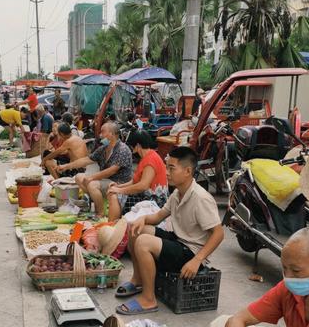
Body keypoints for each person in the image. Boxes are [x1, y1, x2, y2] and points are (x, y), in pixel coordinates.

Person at [115, 146, 223, 314]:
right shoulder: (177, 193)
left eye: (171, 168)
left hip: (191, 252)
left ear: (187, 171)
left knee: (143, 242)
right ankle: (138, 280)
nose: (166, 172)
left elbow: (218, 233)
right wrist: (142, 219)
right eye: (167, 167)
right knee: (135, 230)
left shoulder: (201, 198)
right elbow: (158, 217)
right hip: (178, 241)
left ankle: (149, 299)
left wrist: (197, 260)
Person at [58, 122, 133, 217]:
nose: (100, 135)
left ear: (111, 134)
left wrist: (92, 177)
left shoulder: (122, 149)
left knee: (92, 184)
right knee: (79, 177)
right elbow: (86, 160)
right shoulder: (103, 148)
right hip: (106, 180)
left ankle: (100, 213)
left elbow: (112, 170)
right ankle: (97, 202)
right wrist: (66, 166)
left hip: (119, 182)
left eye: (103, 132)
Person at [107, 131, 168, 220]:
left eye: (132, 145)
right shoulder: (147, 156)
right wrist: (119, 187)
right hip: (145, 195)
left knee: (113, 195)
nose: (130, 148)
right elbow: (135, 181)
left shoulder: (150, 160)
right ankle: (115, 224)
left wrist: (120, 190)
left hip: (153, 201)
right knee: (113, 191)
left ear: (138, 145)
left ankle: (112, 226)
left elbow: (143, 185)